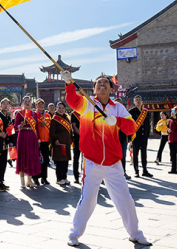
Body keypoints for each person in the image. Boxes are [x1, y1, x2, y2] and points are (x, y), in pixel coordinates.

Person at [61, 71, 151, 247]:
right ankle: (74, 234)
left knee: (125, 199)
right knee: (88, 199)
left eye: (105, 83)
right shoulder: (88, 104)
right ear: (94, 89)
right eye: (98, 83)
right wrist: (69, 83)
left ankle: (135, 233)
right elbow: (72, 101)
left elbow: (131, 127)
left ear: (111, 88)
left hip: (113, 163)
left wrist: (116, 121)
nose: (102, 85)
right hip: (92, 162)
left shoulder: (118, 107)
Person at [14, 96, 40, 188]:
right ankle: (22, 180)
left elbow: (36, 127)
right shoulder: (19, 114)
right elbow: (15, 126)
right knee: (22, 156)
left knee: (31, 157)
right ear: (22, 103)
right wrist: (19, 126)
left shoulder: (34, 114)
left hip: (32, 136)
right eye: (25, 101)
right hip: (23, 136)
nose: (27, 103)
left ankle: (29, 180)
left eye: (29, 101)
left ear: (31, 103)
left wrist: (38, 138)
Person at [129, 95, 153, 178]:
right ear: (134, 102)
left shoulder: (146, 112)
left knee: (144, 154)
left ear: (142, 102)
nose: (138, 101)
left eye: (140, 99)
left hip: (144, 136)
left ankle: (145, 170)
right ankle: (136, 171)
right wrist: (129, 136)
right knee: (135, 154)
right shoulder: (131, 112)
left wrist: (147, 134)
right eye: (136, 100)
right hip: (135, 136)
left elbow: (148, 124)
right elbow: (129, 124)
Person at [50, 101, 72, 185]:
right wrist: (55, 139)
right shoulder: (55, 119)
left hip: (66, 142)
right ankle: (59, 178)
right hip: (59, 143)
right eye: (59, 108)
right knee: (59, 161)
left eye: (63, 108)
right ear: (56, 108)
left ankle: (64, 177)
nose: (61, 109)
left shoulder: (66, 117)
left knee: (65, 161)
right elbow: (52, 131)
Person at [32, 98, 52, 185]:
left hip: (46, 140)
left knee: (45, 160)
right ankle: (35, 178)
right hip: (37, 141)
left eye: (42, 104)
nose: (40, 106)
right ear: (36, 106)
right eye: (38, 104)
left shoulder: (47, 115)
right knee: (36, 160)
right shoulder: (33, 115)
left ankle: (44, 178)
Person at [0, 98, 13, 184]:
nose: (6, 105)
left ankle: (1, 179)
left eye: (7, 104)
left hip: (6, 142)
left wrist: (11, 141)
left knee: (4, 162)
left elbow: (11, 130)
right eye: (4, 103)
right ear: (0, 105)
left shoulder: (9, 116)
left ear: (10, 106)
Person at [71, 110, 81, 183]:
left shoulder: (86, 112)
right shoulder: (74, 114)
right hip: (77, 139)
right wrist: (81, 134)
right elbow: (74, 126)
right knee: (76, 158)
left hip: (87, 138)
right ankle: (76, 176)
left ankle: (86, 175)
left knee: (87, 159)